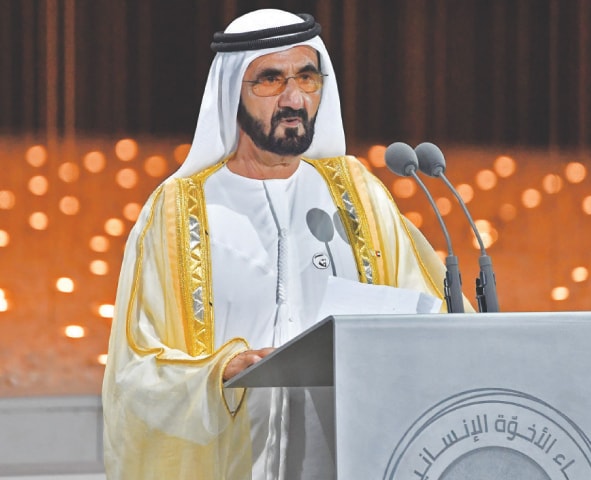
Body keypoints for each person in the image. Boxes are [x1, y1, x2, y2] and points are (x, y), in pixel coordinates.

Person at [101, 9, 457, 479]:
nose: (293, 98)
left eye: (307, 78)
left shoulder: (357, 194)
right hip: (233, 461)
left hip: (348, 455)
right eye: (269, 79)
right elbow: (136, 369)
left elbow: (429, 317)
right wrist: (217, 372)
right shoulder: (177, 212)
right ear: (233, 92)